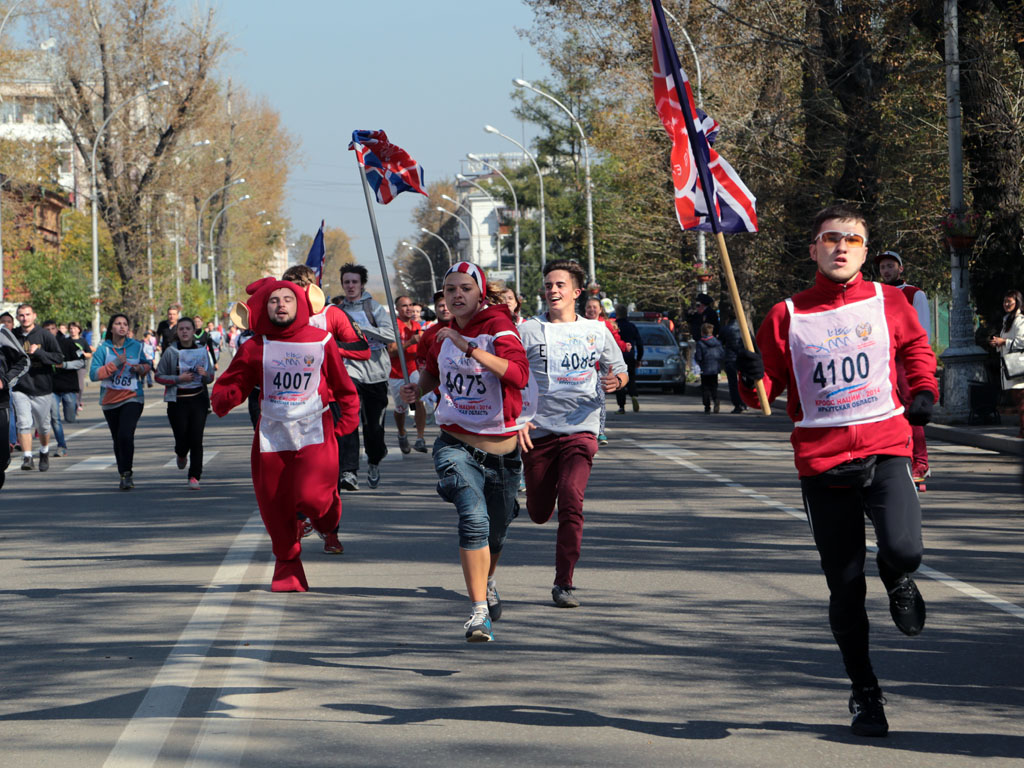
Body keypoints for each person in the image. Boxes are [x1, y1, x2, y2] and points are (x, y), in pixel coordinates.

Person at [737, 204, 938, 738]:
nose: (841, 246)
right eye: (830, 238)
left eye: (852, 239)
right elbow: (763, 394)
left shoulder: (887, 299)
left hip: (886, 445)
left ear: (865, 251)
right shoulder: (787, 314)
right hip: (823, 463)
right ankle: (865, 692)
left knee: (906, 549)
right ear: (814, 249)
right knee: (845, 588)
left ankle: (898, 577)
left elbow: (917, 348)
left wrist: (923, 391)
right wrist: (750, 374)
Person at [400, 262, 530, 642]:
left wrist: (471, 349)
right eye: (450, 290)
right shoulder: (437, 335)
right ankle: (477, 613)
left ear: (480, 293)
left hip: (503, 453)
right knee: (473, 518)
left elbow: (518, 375)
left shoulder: (498, 327)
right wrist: (417, 389)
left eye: (465, 289)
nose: (457, 295)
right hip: (456, 443)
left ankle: (487, 581)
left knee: (498, 532)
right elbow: (432, 374)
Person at [211, 277, 360, 591]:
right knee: (275, 505)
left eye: (287, 299)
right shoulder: (255, 345)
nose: (281, 305)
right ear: (265, 308)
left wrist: (348, 419)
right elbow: (235, 380)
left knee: (315, 498)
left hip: (314, 430)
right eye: (274, 301)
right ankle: (288, 567)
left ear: (301, 303)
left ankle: (327, 517)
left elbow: (344, 387)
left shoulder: (321, 340)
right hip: (272, 433)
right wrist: (226, 398)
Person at [519, 260, 627, 608]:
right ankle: (519, 499)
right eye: (548, 285)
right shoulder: (528, 330)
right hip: (540, 431)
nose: (553, 291)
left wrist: (616, 381)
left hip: (582, 428)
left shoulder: (596, 330)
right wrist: (517, 417)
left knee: (571, 499)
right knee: (538, 511)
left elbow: (620, 369)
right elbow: (511, 374)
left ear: (576, 293)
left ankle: (563, 582)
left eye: (560, 285)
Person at [281, 263, 371, 550]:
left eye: (302, 287)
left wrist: (327, 346)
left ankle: (330, 532)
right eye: (290, 290)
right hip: (289, 407)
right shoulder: (279, 318)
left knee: (326, 474)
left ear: (313, 288)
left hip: (326, 404)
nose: (296, 295)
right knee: (290, 472)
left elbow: (363, 349)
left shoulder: (331, 314)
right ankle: (297, 522)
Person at [335, 263, 396, 489]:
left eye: (354, 282)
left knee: (374, 428)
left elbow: (391, 335)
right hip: (350, 371)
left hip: (376, 373)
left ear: (362, 285)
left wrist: (363, 330)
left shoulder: (374, 308)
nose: (350, 286)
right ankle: (349, 471)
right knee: (348, 420)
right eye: (346, 282)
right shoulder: (338, 311)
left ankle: (374, 458)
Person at [875, 250, 932, 481]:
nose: (886, 271)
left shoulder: (914, 293)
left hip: (906, 359)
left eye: (890, 266)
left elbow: (923, 330)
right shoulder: (876, 295)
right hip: (883, 358)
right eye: (882, 268)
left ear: (901, 268)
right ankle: (900, 457)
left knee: (910, 409)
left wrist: (921, 364)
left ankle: (922, 461)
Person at [89, 313, 153, 490]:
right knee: (117, 438)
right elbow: (93, 375)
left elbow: (147, 364)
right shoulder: (104, 349)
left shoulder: (136, 346)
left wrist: (140, 368)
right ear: (111, 328)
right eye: (118, 323)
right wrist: (114, 364)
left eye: (125, 324)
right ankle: (122, 472)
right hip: (110, 400)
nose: (122, 326)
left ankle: (127, 473)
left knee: (126, 434)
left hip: (132, 397)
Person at [155, 316, 215, 489]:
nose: (184, 332)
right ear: (177, 332)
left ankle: (195, 476)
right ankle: (181, 454)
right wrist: (177, 378)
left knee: (196, 439)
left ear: (194, 331)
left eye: (188, 328)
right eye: (181, 329)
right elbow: (158, 376)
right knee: (182, 439)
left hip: (198, 400)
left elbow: (211, 377)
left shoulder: (202, 350)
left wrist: (205, 375)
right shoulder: (171, 352)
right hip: (177, 402)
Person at [12, 304, 65, 472]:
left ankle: (43, 452)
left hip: (42, 387)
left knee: (43, 426)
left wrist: (39, 353)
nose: (24, 318)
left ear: (34, 316)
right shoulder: (13, 336)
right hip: (20, 387)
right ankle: (27, 457)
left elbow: (58, 358)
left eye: (27, 314)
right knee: (23, 423)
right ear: (17, 317)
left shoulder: (45, 335)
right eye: (21, 315)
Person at [584, 297, 627, 445]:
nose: (592, 310)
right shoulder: (579, 325)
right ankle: (586, 429)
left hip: (601, 370)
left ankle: (600, 431)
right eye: (589, 307)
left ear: (600, 309)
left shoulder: (606, 326)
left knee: (600, 401)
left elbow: (615, 342)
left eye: (594, 307)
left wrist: (624, 347)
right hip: (585, 370)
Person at [389, 295, 427, 454]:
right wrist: (410, 342)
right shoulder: (392, 326)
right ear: (397, 309)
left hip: (413, 370)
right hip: (396, 373)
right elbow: (391, 352)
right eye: (404, 306)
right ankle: (402, 433)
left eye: (411, 305)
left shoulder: (417, 325)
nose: (409, 308)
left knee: (419, 400)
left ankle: (420, 438)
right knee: (400, 409)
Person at [43, 319, 86, 456]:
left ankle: (74, 408)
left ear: (57, 330)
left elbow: (81, 362)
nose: (50, 332)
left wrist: (65, 365)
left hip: (68, 386)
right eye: (47, 329)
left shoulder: (69, 343)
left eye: (52, 329)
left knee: (70, 418)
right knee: (55, 418)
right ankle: (62, 446)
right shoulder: (40, 346)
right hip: (51, 388)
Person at [990, 289, 1024, 437]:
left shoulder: (1019, 320)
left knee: (1021, 401)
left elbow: (1022, 341)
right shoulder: (1007, 320)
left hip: (1018, 367)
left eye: (1009, 301)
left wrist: (1004, 341)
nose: (1006, 304)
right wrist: (999, 343)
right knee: (1018, 401)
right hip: (1010, 367)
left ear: (1017, 302)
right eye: (1005, 301)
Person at [0, 323, 29, 490]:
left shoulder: (2, 333)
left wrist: (4, 381)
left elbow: (23, 361)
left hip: (0, 403)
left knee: (1, 459)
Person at [613, 305, 643, 414]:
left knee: (619, 380)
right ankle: (633, 395)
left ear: (617, 313)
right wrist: (639, 358)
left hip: (618, 357)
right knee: (631, 377)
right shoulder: (632, 326)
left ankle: (621, 406)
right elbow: (639, 343)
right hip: (630, 356)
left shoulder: (614, 326)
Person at [719, 308, 748, 413]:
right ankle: (745, 402)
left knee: (733, 383)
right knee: (744, 381)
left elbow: (720, 343)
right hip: (743, 358)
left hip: (730, 358)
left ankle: (738, 404)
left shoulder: (726, 329)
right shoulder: (744, 329)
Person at [694, 322, 725, 413]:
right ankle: (716, 400)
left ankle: (707, 406)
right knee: (714, 387)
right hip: (715, 368)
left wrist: (699, 362)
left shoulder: (700, 343)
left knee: (705, 388)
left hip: (705, 368)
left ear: (702, 332)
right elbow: (722, 354)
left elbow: (699, 357)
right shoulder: (718, 342)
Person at [68, 322, 92, 412]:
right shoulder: (66, 341)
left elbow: (89, 354)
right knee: (71, 387)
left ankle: (78, 401)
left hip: (80, 367)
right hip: (69, 367)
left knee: (80, 387)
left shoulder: (82, 341)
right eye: (70, 328)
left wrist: (84, 354)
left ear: (79, 329)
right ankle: (74, 404)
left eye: (74, 328)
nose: (72, 330)